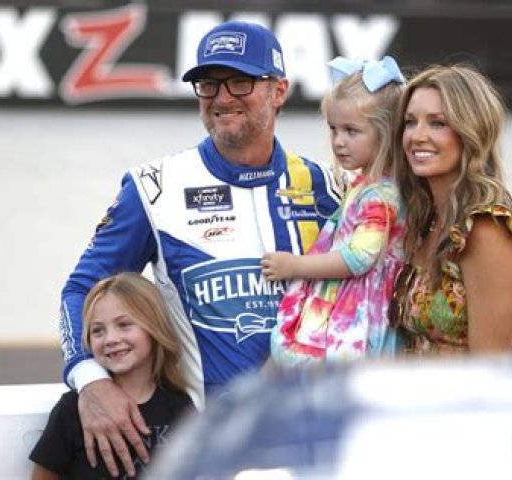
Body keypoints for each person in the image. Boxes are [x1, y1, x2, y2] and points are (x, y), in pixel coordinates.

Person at [58, 20, 341, 477]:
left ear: (279, 91)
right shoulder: (154, 188)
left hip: (317, 443)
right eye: (208, 84)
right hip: (213, 451)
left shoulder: (328, 186)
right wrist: (89, 380)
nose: (222, 98)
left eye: (240, 81)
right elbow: (80, 290)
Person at [262, 56, 407, 365]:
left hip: (358, 318)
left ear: (386, 132)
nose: (338, 142)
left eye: (351, 131)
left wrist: (295, 266)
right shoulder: (365, 185)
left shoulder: (381, 194)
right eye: (333, 129)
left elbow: (359, 257)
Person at [388, 64, 512, 355]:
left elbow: (490, 365)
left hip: (461, 387)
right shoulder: (423, 221)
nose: (417, 136)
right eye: (410, 122)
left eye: (437, 123)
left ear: (471, 132)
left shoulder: (486, 230)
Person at [32, 273, 195, 479]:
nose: (110, 339)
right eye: (97, 330)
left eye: (124, 324)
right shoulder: (72, 409)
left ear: (155, 327)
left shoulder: (183, 407)